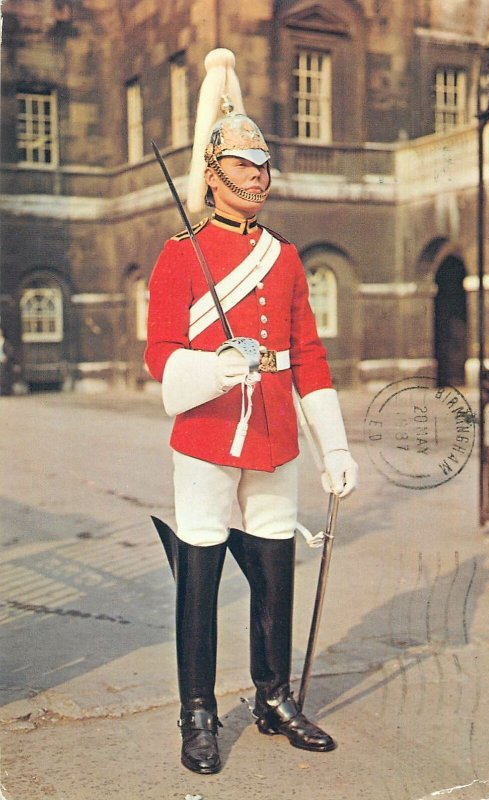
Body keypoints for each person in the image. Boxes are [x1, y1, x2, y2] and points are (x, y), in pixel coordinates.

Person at [145, 48, 358, 775]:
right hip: (205, 433)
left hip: (272, 436)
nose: (257, 177)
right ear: (210, 174)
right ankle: (197, 711)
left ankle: (271, 698)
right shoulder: (179, 254)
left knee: (274, 567)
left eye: (262, 166)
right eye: (242, 165)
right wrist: (214, 368)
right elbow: (161, 358)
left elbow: (308, 357)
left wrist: (332, 445)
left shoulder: (285, 256)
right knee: (199, 569)